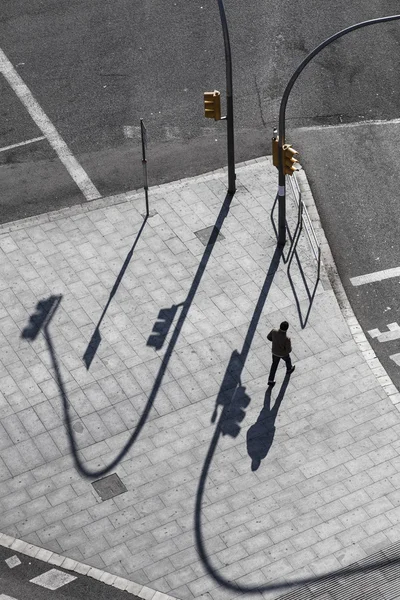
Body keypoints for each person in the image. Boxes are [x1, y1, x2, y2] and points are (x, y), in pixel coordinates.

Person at [267, 321, 295, 387]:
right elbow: (289, 350)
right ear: (287, 329)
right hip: (283, 354)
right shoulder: (287, 339)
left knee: (274, 365)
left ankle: (270, 380)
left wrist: (275, 342)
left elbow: (268, 337)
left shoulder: (274, 331)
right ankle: (289, 369)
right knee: (288, 359)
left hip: (274, 352)